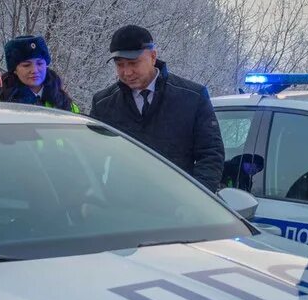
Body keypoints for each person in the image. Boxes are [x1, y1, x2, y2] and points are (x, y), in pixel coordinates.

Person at [90, 25, 224, 191]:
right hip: (122, 206)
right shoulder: (103, 104)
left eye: (133, 63)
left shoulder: (192, 97)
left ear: (153, 57)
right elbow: (91, 158)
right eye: (120, 65)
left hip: (177, 205)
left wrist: (196, 200)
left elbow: (211, 154)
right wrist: (94, 197)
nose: (127, 72)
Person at [0, 35, 80, 112]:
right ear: (14, 70)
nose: (34, 70)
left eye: (40, 64)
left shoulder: (65, 104)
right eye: (26, 65)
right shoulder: (2, 103)